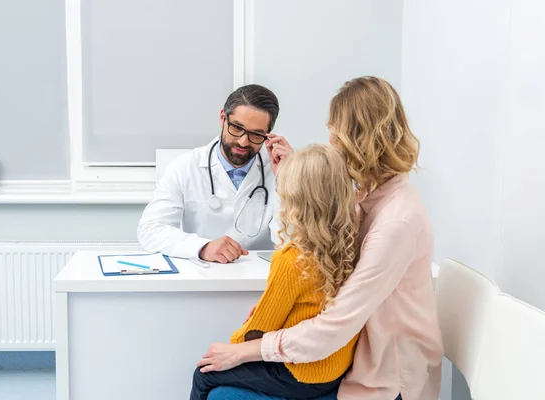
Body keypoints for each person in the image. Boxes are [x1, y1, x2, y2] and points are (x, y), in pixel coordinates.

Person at [197, 76, 444, 400]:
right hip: (343, 358)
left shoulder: (395, 223)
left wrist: (245, 351)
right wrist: (296, 174)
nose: (330, 140)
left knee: (217, 387)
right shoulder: (365, 199)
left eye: (335, 132)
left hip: (382, 378)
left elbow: (334, 327)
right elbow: (321, 228)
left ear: (358, 140)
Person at [190, 145, 361, 400]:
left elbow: (258, 329)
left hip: (300, 373)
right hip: (335, 368)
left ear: (294, 199)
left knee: (204, 374)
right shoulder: (351, 246)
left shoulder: (291, 259)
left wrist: (233, 344)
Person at [137, 85, 281, 262]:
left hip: (263, 281)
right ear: (223, 118)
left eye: (256, 135)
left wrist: (290, 180)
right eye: (236, 128)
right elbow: (150, 230)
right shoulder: (185, 167)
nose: (243, 142)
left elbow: (297, 242)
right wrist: (202, 247)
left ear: (268, 135)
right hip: (203, 280)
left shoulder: (281, 171)